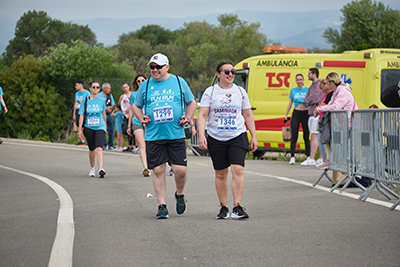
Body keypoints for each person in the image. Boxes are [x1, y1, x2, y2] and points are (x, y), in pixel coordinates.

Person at [132, 53, 196, 219]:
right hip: (154, 135)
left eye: (158, 67)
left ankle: (179, 194)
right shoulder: (145, 86)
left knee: (180, 170)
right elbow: (136, 105)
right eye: (152, 67)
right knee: (158, 170)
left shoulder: (178, 82)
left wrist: (187, 118)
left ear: (167, 67)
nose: (155, 70)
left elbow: (191, 102)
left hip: (175, 133)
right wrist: (140, 117)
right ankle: (162, 205)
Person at [198, 61, 257, 220]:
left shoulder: (240, 91)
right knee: (221, 172)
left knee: (238, 169)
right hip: (216, 137)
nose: (231, 74)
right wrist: (202, 135)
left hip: (237, 135)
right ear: (218, 74)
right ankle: (223, 207)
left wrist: (254, 135)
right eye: (227, 72)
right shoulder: (210, 92)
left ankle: (237, 206)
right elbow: (202, 115)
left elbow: (248, 115)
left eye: (233, 71)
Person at [314, 72, 358, 170]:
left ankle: (331, 161)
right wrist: (318, 109)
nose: (327, 86)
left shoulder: (342, 91)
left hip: (350, 124)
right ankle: (329, 160)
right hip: (345, 123)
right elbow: (330, 103)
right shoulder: (337, 91)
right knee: (330, 138)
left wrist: (319, 109)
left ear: (332, 83)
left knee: (348, 150)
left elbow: (335, 107)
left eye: (327, 83)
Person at [78, 81, 107, 178]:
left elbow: (103, 114)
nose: (95, 89)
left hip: (100, 126)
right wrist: (79, 129)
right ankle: (92, 168)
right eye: (93, 87)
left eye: (97, 87)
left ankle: (101, 169)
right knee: (91, 148)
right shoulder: (85, 101)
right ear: (90, 88)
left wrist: (105, 127)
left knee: (99, 147)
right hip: (88, 127)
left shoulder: (102, 100)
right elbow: (81, 115)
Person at [127, 74, 151, 177]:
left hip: (149, 121)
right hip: (137, 121)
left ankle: (152, 164)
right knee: (142, 145)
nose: (140, 82)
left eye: (142, 80)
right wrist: (129, 126)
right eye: (138, 81)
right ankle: (145, 167)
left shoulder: (151, 92)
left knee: (150, 144)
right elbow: (132, 111)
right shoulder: (133, 94)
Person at [284, 74, 310, 165]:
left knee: (306, 135)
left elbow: (311, 101)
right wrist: (286, 114)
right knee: (294, 135)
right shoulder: (293, 90)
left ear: (303, 80)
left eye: (300, 79)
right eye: (297, 80)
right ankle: (292, 157)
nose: (299, 81)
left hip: (306, 113)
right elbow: (290, 102)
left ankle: (308, 156)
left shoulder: (307, 89)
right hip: (296, 113)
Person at [303, 68, 324, 166]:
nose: (308, 75)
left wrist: (309, 98)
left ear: (314, 74)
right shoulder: (312, 86)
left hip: (316, 113)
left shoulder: (319, 85)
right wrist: (308, 98)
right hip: (311, 112)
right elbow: (307, 99)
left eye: (309, 73)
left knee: (314, 136)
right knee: (317, 136)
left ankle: (311, 158)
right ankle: (321, 158)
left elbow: (314, 97)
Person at [316, 79, 334, 167]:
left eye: (324, 84)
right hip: (323, 119)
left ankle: (327, 160)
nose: (322, 86)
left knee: (323, 139)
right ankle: (325, 159)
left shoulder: (331, 94)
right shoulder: (326, 95)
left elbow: (327, 105)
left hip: (327, 121)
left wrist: (318, 108)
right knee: (321, 139)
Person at [98, 83, 116, 150]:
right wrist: (105, 108)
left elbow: (113, 104)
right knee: (103, 129)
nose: (109, 90)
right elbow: (98, 104)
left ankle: (111, 144)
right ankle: (103, 144)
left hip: (109, 114)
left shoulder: (110, 95)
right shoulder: (99, 95)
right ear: (104, 89)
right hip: (102, 114)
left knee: (111, 129)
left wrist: (110, 107)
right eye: (108, 88)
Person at [73, 80, 90, 146]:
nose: (75, 87)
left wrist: (83, 102)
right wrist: (74, 114)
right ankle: (82, 141)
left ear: (81, 85)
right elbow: (75, 103)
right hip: (78, 110)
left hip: (84, 111)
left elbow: (89, 101)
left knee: (84, 126)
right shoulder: (76, 93)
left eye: (76, 85)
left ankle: (88, 140)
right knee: (79, 125)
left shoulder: (86, 93)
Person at [119, 82, 134, 152]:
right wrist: (120, 99)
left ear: (129, 87)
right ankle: (130, 145)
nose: (125, 89)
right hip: (126, 116)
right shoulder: (123, 96)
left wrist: (131, 109)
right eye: (124, 88)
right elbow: (119, 105)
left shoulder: (133, 94)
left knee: (135, 129)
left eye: (126, 87)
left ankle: (136, 145)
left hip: (134, 115)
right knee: (127, 130)